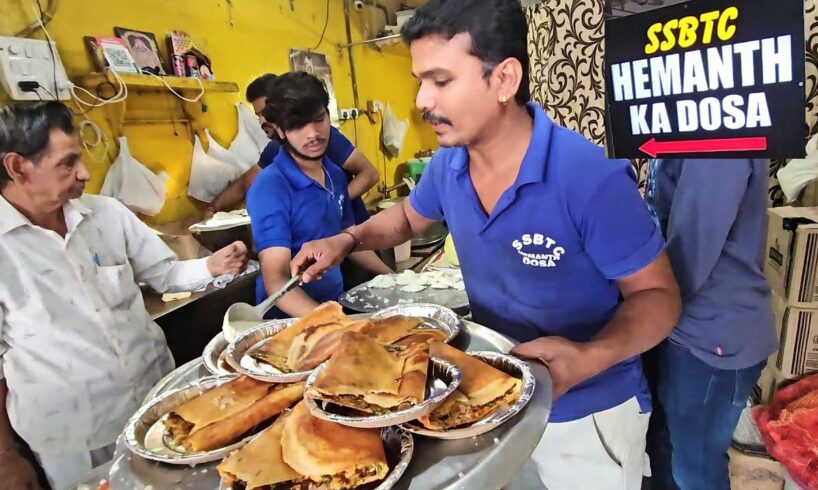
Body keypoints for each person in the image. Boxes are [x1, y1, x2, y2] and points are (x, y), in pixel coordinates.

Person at [291, 1, 682, 488]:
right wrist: (346, 239)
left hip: (586, 415)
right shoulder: (448, 164)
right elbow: (407, 219)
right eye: (420, 81)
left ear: (504, 79)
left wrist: (591, 357)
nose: (421, 101)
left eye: (441, 81)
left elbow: (659, 298)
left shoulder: (587, 179)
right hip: (494, 398)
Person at [0, 101, 248, 489]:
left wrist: (211, 267)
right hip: (75, 436)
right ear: (17, 167)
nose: (84, 173)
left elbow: (165, 274)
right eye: (67, 163)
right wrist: (5, 456)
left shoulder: (106, 214)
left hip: (157, 402)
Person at [643, 159, 778, 490]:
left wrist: (642, 302)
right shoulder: (683, 124)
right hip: (681, 323)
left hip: (709, 333)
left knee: (695, 468)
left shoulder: (716, 130)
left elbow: (692, 246)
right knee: (667, 450)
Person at [248, 72, 391, 318]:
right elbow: (276, 280)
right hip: (290, 323)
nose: (312, 133)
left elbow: (348, 241)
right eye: (297, 126)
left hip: (331, 307)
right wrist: (335, 324)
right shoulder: (270, 187)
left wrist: (392, 277)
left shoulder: (334, 175)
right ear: (280, 131)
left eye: (318, 119)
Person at [205, 73, 379, 225]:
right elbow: (245, 183)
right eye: (258, 115)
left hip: (355, 237)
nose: (262, 121)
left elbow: (369, 174)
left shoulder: (320, 140)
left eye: (265, 113)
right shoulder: (275, 150)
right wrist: (214, 207)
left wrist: (332, 205)